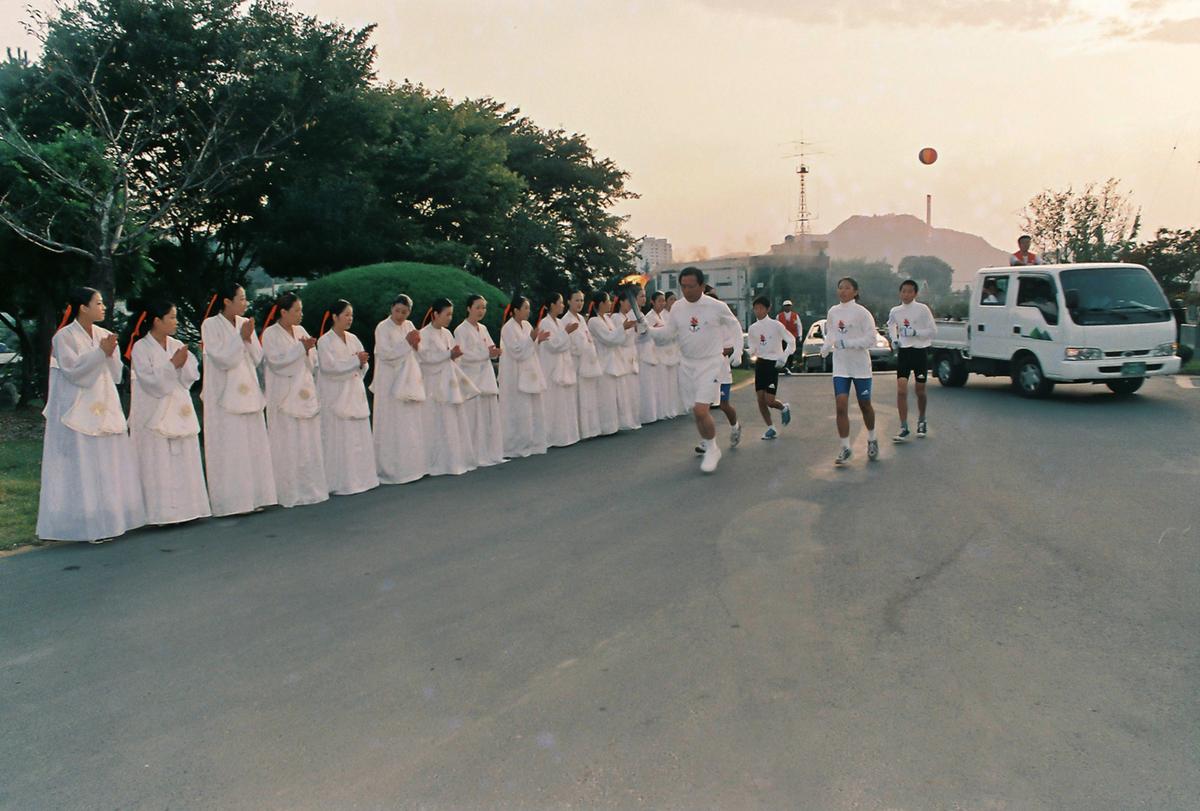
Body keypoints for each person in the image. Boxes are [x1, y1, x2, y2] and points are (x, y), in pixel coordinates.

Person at [37, 287, 146, 542]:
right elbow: (74, 372)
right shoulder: (64, 337)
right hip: (79, 410)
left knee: (108, 463)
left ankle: (112, 519)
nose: (103, 307)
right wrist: (100, 353)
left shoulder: (106, 335)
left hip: (105, 405)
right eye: (98, 303)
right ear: (83, 307)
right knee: (85, 466)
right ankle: (87, 524)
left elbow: (117, 374)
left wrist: (107, 353)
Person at [127, 298, 211, 526]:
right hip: (154, 412)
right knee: (159, 461)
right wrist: (172, 365)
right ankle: (162, 514)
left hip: (179, 409)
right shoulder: (141, 348)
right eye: (172, 317)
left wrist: (182, 365)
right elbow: (150, 383)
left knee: (184, 457)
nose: (176, 322)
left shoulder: (176, 345)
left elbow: (190, 377)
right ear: (157, 321)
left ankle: (188, 508)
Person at [652, 267, 741, 473]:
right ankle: (709, 444)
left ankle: (712, 448)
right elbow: (667, 334)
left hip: (710, 363)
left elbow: (735, 325)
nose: (687, 290)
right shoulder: (677, 308)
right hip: (687, 364)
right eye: (683, 286)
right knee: (696, 412)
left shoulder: (716, 306)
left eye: (691, 286)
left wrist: (738, 350)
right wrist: (647, 331)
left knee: (702, 409)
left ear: (701, 285)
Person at [201, 282, 277, 516]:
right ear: (227, 301)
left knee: (252, 444)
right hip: (224, 394)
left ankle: (257, 496)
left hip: (248, 391)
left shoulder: (246, 324)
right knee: (231, 446)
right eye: (241, 299)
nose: (245, 303)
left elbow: (256, 358)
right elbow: (221, 359)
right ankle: (232, 502)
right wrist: (239, 338)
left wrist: (247, 338)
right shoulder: (210, 325)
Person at [261, 292, 329, 508]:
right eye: (296, 310)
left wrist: (307, 350)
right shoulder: (271, 334)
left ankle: (311, 489)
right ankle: (290, 492)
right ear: (283, 312)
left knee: (308, 443)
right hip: (284, 396)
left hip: (304, 392)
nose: (301, 315)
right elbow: (275, 362)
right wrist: (301, 348)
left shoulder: (300, 331)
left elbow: (313, 360)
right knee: (289, 443)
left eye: (301, 310)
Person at [316, 299, 379, 496]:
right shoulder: (324, 341)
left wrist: (361, 363)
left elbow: (362, 365)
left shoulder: (353, 338)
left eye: (351, 315)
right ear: (335, 317)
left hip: (354, 391)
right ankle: (341, 481)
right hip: (336, 395)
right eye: (346, 315)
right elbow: (329, 367)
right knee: (340, 438)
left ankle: (363, 478)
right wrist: (354, 361)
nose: (350, 319)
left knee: (358, 436)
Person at [821, 277, 879, 465]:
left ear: (855, 291)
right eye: (840, 288)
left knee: (864, 405)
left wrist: (847, 343)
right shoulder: (833, 312)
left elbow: (871, 339)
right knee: (841, 405)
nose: (843, 291)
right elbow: (831, 332)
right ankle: (845, 447)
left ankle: (872, 438)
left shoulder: (862, 313)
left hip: (860, 366)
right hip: (841, 366)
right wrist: (826, 345)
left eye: (847, 288)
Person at [418, 298, 479, 476]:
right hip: (433, 383)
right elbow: (425, 359)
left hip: (449, 381)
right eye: (447, 314)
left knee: (452, 419)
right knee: (435, 420)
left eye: (451, 314)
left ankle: (453, 459)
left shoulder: (447, 333)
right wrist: (448, 354)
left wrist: (454, 355)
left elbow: (453, 356)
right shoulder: (425, 334)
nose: (450, 318)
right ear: (435, 314)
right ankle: (435, 462)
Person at [371, 294, 428, 484]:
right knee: (392, 422)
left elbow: (419, 351)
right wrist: (407, 343)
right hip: (389, 380)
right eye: (397, 311)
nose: (400, 315)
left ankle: (413, 466)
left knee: (409, 423)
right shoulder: (382, 327)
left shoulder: (409, 325)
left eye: (404, 312)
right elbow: (386, 354)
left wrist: (416, 344)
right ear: (391, 308)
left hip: (408, 379)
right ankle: (391, 469)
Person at [454, 294, 505, 467]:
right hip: (472, 378)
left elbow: (489, 347)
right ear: (469, 308)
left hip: (486, 377)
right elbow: (463, 354)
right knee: (474, 419)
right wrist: (486, 354)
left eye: (484, 307)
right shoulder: (461, 330)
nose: (481, 311)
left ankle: (490, 451)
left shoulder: (482, 328)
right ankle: (474, 454)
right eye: (478, 307)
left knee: (488, 417)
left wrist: (493, 352)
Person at [499, 295, 550, 458]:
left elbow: (530, 348)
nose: (528, 311)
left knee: (533, 409)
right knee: (518, 409)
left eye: (529, 308)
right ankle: (515, 446)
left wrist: (537, 340)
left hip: (530, 373)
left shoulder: (527, 325)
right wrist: (531, 339)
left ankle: (533, 442)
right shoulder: (508, 328)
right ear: (515, 310)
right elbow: (516, 351)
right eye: (525, 308)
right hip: (515, 374)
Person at [887, 279, 938, 442]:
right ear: (899, 293)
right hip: (904, 353)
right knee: (901, 391)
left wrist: (915, 332)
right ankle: (903, 427)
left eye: (910, 291)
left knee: (920, 391)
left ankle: (921, 420)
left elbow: (932, 331)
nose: (906, 294)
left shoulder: (922, 309)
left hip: (919, 351)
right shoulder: (895, 311)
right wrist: (894, 339)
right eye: (903, 291)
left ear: (915, 293)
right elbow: (891, 325)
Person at [589, 291, 639, 432]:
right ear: (601, 304)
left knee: (614, 396)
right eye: (608, 301)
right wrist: (623, 328)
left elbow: (618, 338)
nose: (611, 303)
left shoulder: (607, 319)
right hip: (603, 361)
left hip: (614, 360)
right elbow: (609, 339)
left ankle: (614, 425)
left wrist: (625, 329)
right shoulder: (594, 321)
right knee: (605, 396)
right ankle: (605, 427)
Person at [537, 293, 582, 448]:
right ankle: (552, 436)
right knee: (552, 402)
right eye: (560, 303)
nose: (563, 306)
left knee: (564, 401)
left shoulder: (558, 323)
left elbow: (565, 344)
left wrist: (565, 334)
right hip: (551, 367)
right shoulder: (545, 323)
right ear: (552, 305)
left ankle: (566, 435)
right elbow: (553, 345)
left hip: (563, 366)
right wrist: (566, 333)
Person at [747, 295, 795, 440]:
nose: (758, 311)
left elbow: (791, 341)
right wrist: (748, 352)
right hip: (760, 364)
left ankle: (783, 407)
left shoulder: (776, 325)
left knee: (769, 400)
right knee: (760, 399)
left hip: (773, 364)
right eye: (755, 308)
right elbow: (753, 346)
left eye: (761, 308)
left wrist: (784, 356)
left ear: (768, 309)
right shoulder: (753, 328)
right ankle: (770, 428)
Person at [702, 285, 741, 452]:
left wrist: (716, 352)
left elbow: (729, 347)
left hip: (722, 371)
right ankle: (706, 441)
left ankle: (735, 426)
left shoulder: (725, 324)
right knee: (704, 406)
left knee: (724, 405)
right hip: (707, 371)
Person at [562, 290, 604, 439]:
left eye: (581, 300)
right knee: (579, 397)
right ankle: (580, 429)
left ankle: (590, 428)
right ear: (568, 301)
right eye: (576, 300)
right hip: (575, 363)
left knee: (588, 396)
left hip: (587, 363)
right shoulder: (565, 320)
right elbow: (568, 343)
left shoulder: (581, 318)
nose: (579, 303)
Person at [613, 290, 644, 430]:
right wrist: (625, 329)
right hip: (622, 356)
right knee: (624, 391)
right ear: (621, 302)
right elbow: (618, 339)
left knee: (633, 391)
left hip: (632, 355)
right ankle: (624, 421)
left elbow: (637, 338)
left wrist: (637, 329)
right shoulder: (616, 317)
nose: (630, 306)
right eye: (627, 302)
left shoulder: (629, 317)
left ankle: (633, 419)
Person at [650, 291, 684, 417]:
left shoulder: (667, 316)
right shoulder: (653, 316)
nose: (663, 303)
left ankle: (672, 409)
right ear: (652, 302)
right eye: (670, 300)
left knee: (672, 385)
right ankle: (663, 411)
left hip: (672, 353)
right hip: (659, 354)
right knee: (663, 385)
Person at [776, 299, 802, 374]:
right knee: (783, 351)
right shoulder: (779, 316)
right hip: (783, 338)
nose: (787, 307)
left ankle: (789, 366)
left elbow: (799, 326)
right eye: (786, 306)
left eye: (789, 306)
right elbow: (776, 327)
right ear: (783, 307)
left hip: (792, 338)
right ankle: (784, 366)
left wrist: (800, 336)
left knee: (791, 352)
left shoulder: (795, 316)